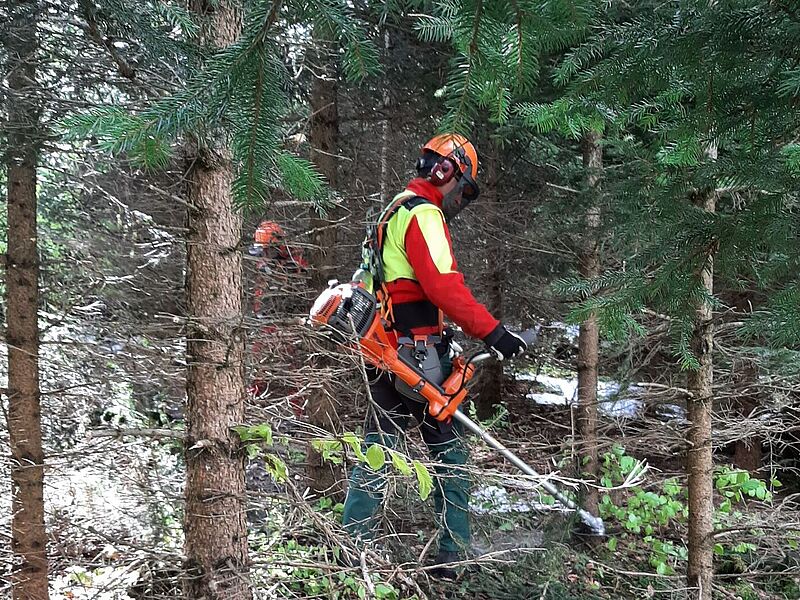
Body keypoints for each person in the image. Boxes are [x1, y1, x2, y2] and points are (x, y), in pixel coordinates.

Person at [341, 134, 528, 579]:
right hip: (417, 354)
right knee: (451, 455)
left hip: (386, 351)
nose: (459, 200)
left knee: (377, 449)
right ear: (448, 173)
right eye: (461, 188)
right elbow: (444, 287)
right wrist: (494, 332)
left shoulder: (392, 210)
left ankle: (351, 547)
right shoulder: (423, 214)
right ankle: (453, 554)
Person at [248, 220, 307, 415]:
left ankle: (297, 411)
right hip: (265, 320)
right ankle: (252, 404)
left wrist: (280, 272)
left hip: (286, 322)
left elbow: (299, 288)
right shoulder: (265, 261)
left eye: (266, 250)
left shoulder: (293, 261)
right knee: (259, 363)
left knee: (292, 368)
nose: (263, 255)